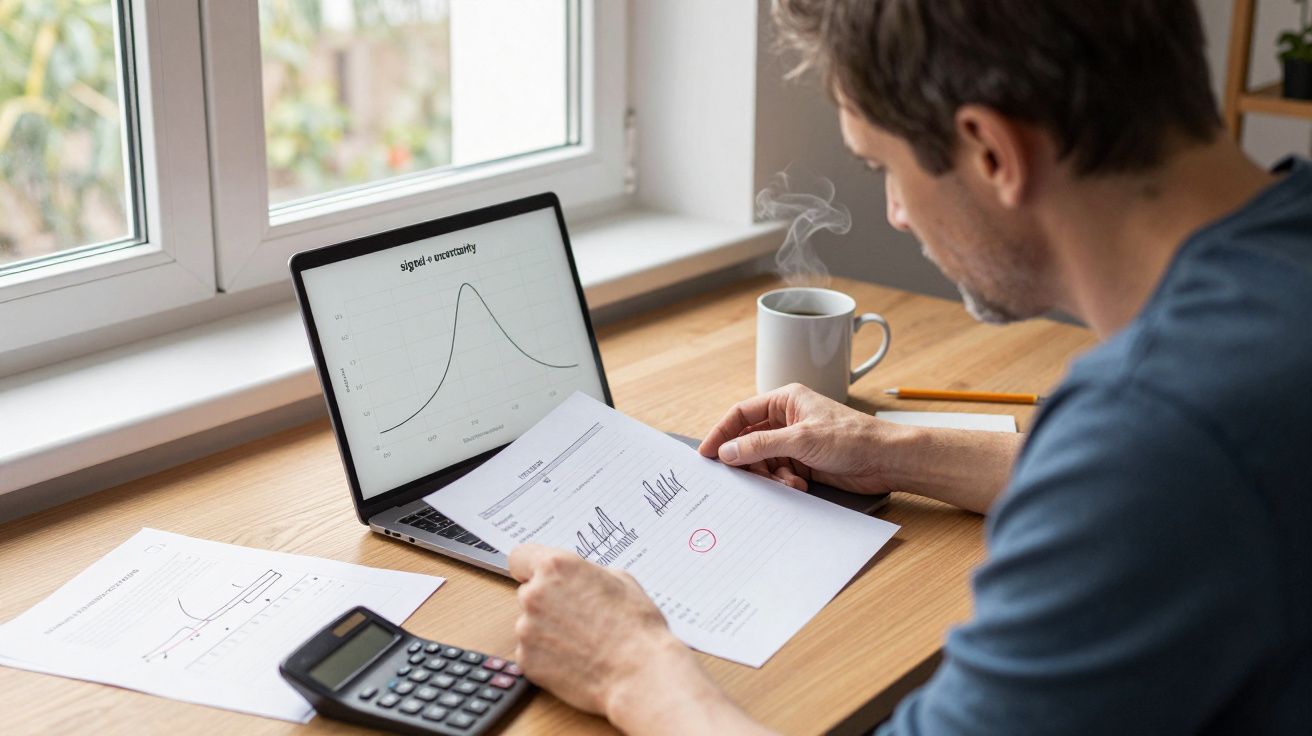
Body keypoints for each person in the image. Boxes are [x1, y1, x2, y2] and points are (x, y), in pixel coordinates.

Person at [506, 1, 1312, 733]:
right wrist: (899, 450)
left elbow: (1154, 468)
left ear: (992, 152)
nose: (895, 212)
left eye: (882, 166)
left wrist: (632, 668)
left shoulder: (1154, 434)